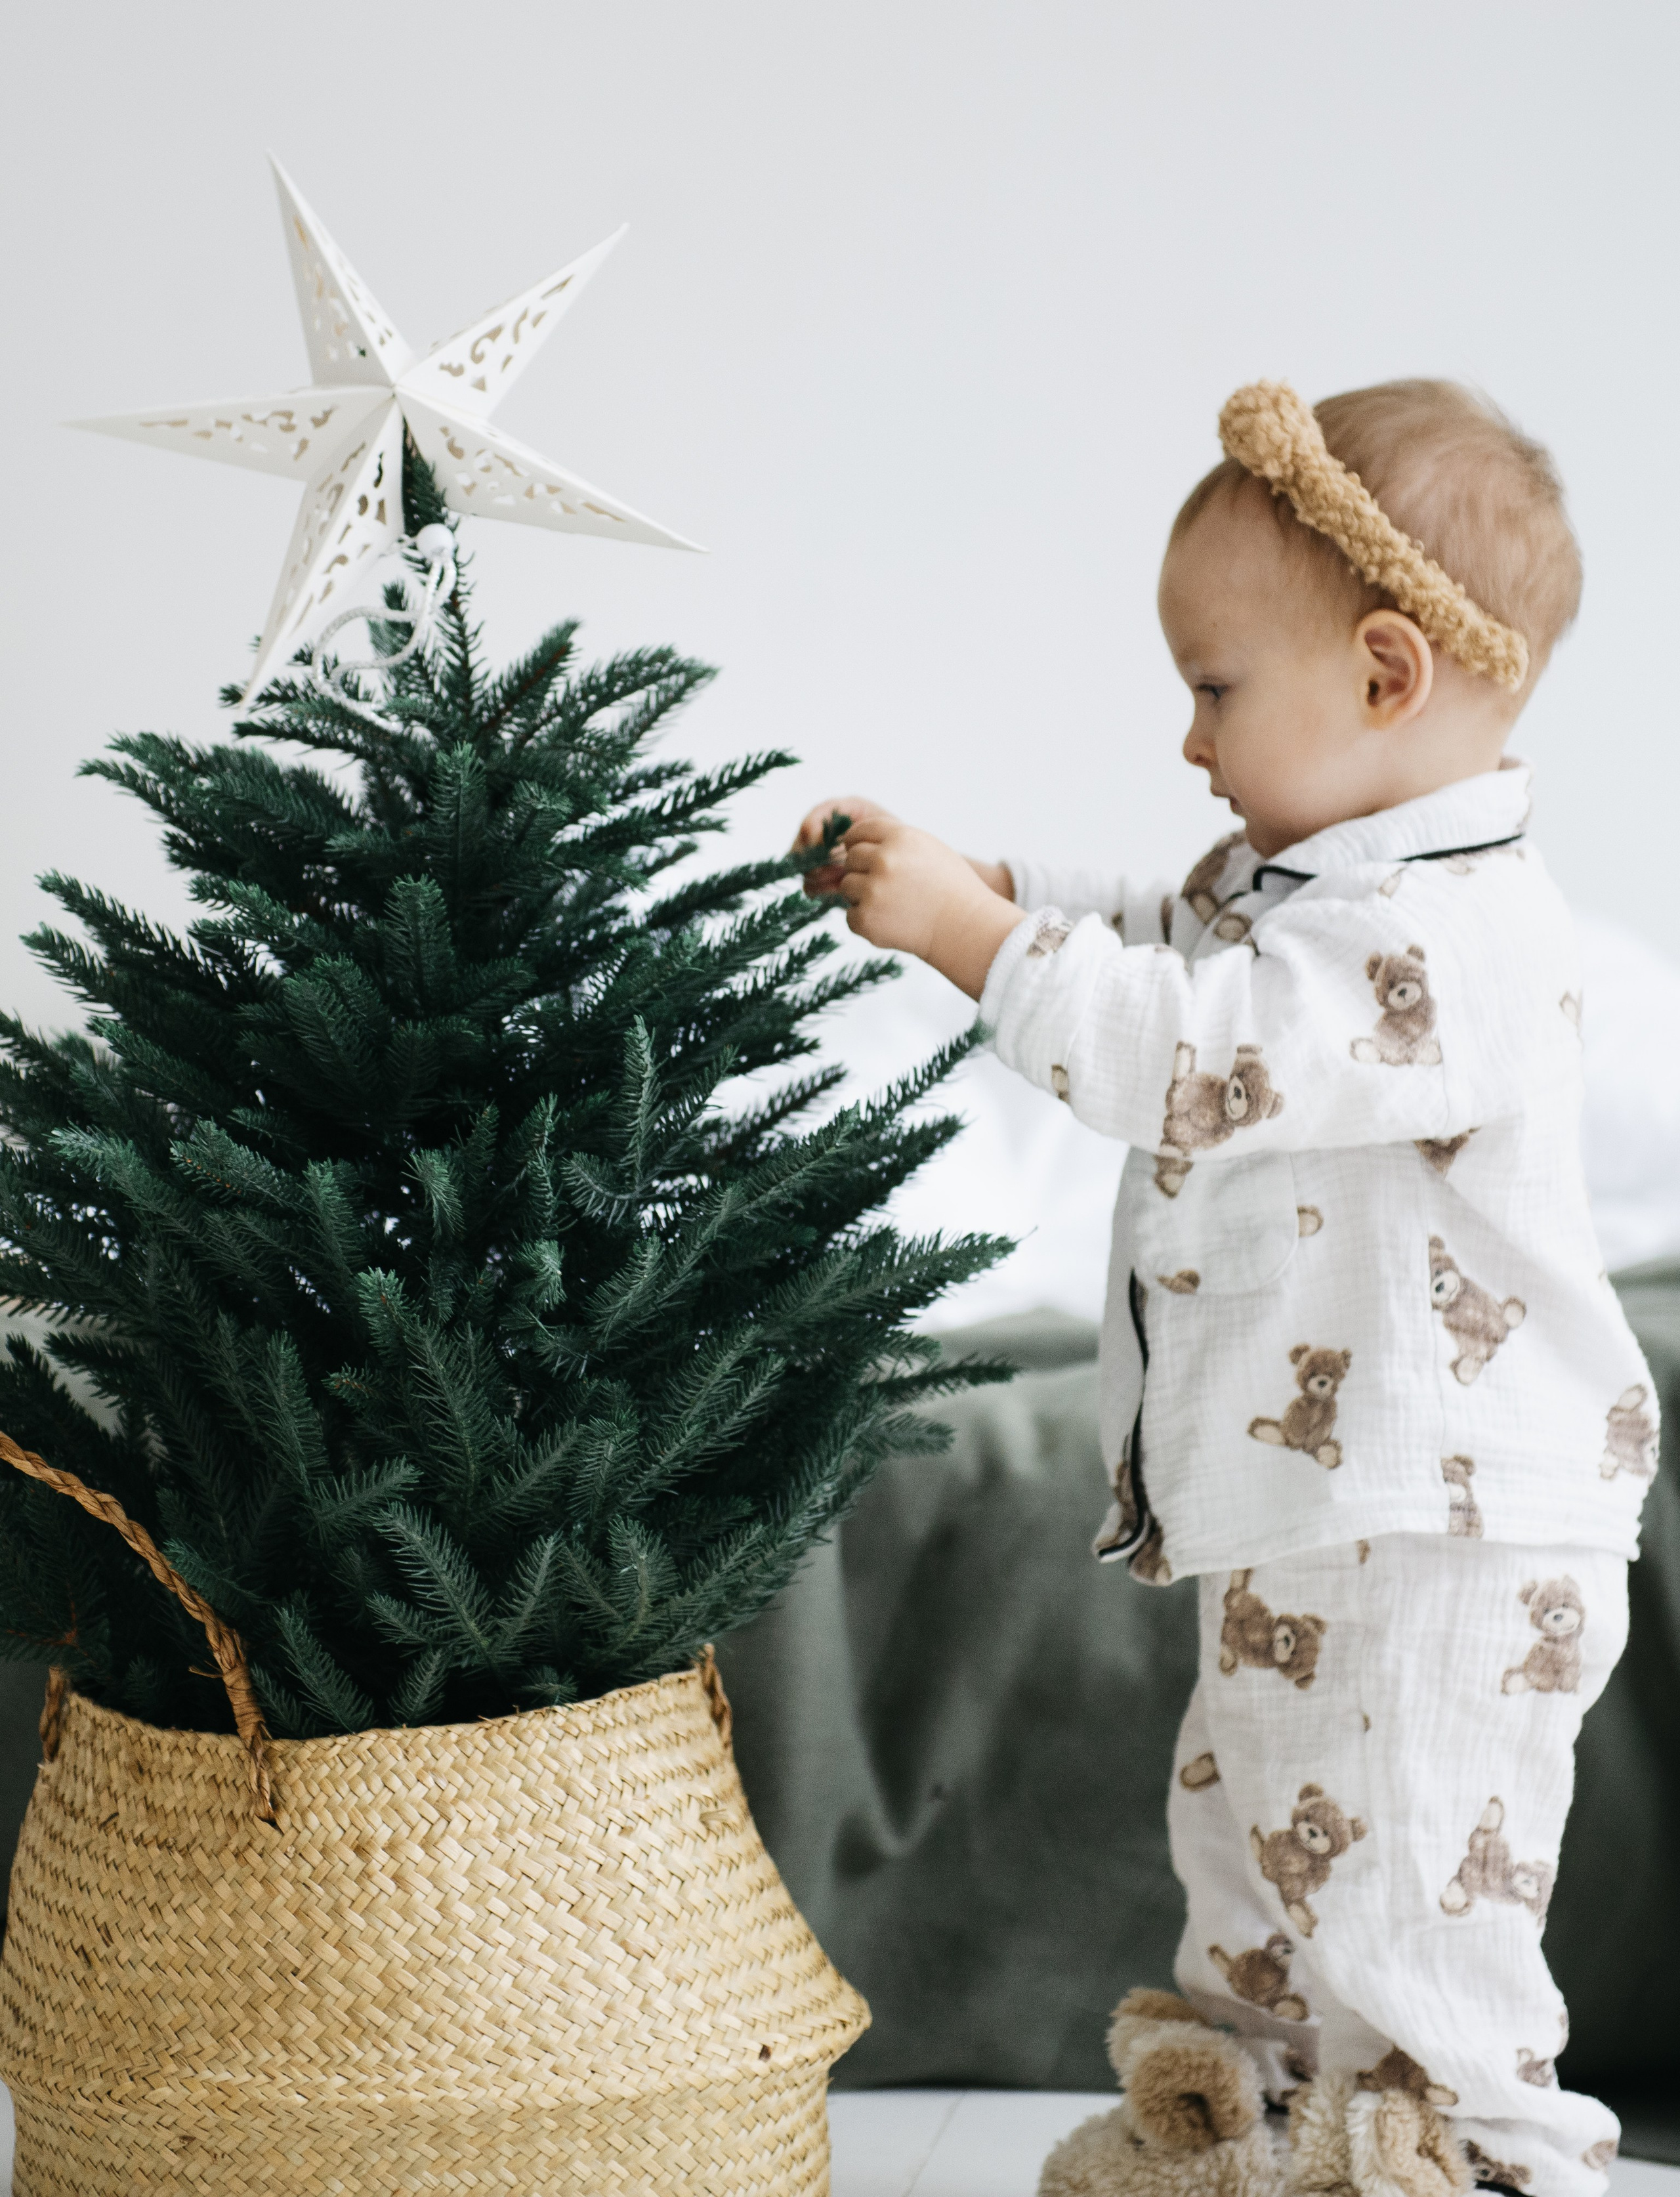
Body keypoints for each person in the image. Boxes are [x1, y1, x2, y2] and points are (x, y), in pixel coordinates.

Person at [793, 381, 1654, 2197]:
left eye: (1214, 688)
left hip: (1447, 1526)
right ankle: (1262, 2138)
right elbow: (1163, 927)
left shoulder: (1454, 935)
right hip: (1311, 1513)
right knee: (1260, 1860)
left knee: (1414, 1903)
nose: (1189, 742)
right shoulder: (1309, 883)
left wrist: (968, 938)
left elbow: (1188, 1055)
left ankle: (1483, 2163)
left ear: (1386, 675)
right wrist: (1000, 884)